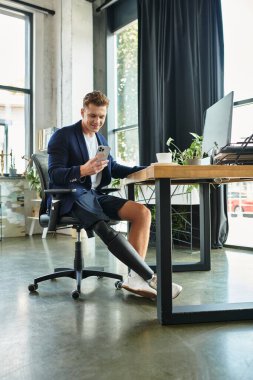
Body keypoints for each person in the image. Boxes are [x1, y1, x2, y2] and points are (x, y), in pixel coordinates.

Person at [47, 90, 182, 299]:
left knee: (142, 213)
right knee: (101, 223)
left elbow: (114, 168)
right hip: (70, 197)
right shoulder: (63, 136)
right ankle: (150, 277)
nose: (97, 121)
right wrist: (83, 170)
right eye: (92, 116)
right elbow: (54, 174)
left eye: (101, 116)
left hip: (93, 195)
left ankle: (134, 279)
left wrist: (151, 167)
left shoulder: (100, 139)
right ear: (82, 112)